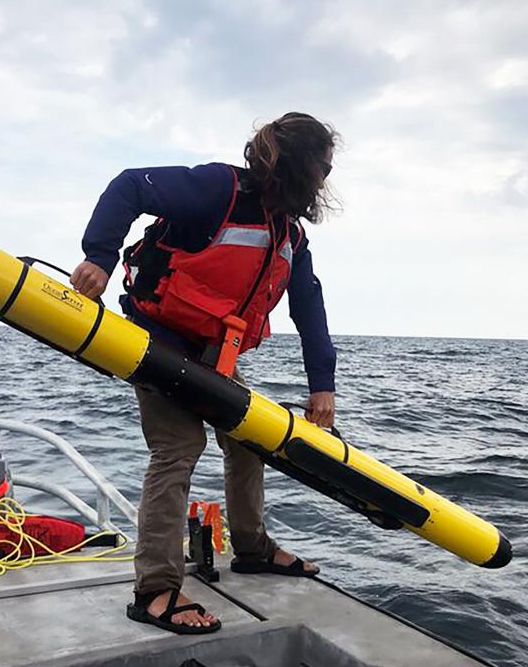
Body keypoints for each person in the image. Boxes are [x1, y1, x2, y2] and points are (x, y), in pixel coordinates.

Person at [71, 112, 339, 635]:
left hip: (215, 357)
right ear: (296, 163)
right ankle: (155, 588)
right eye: (322, 167)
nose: (325, 179)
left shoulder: (291, 235)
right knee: (178, 448)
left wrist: (321, 385)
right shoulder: (218, 189)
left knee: (247, 439)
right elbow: (129, 186)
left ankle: (253, 548)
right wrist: (99, 258)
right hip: (158, 343)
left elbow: (309, 306)